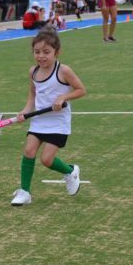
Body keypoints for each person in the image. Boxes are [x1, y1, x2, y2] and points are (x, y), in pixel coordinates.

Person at [10, 28, 86, 206]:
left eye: (46, 52)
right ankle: (25, 192)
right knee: (28, 151)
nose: (41, 56)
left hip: (58, 122)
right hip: (39, 120)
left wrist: (63, 97)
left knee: (46, 160)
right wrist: (24, 112)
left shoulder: (64, 71)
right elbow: (33, 96)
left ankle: (70, 171)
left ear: (56, 52)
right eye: (37, 52)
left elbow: (81, 90)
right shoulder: (33, 72)